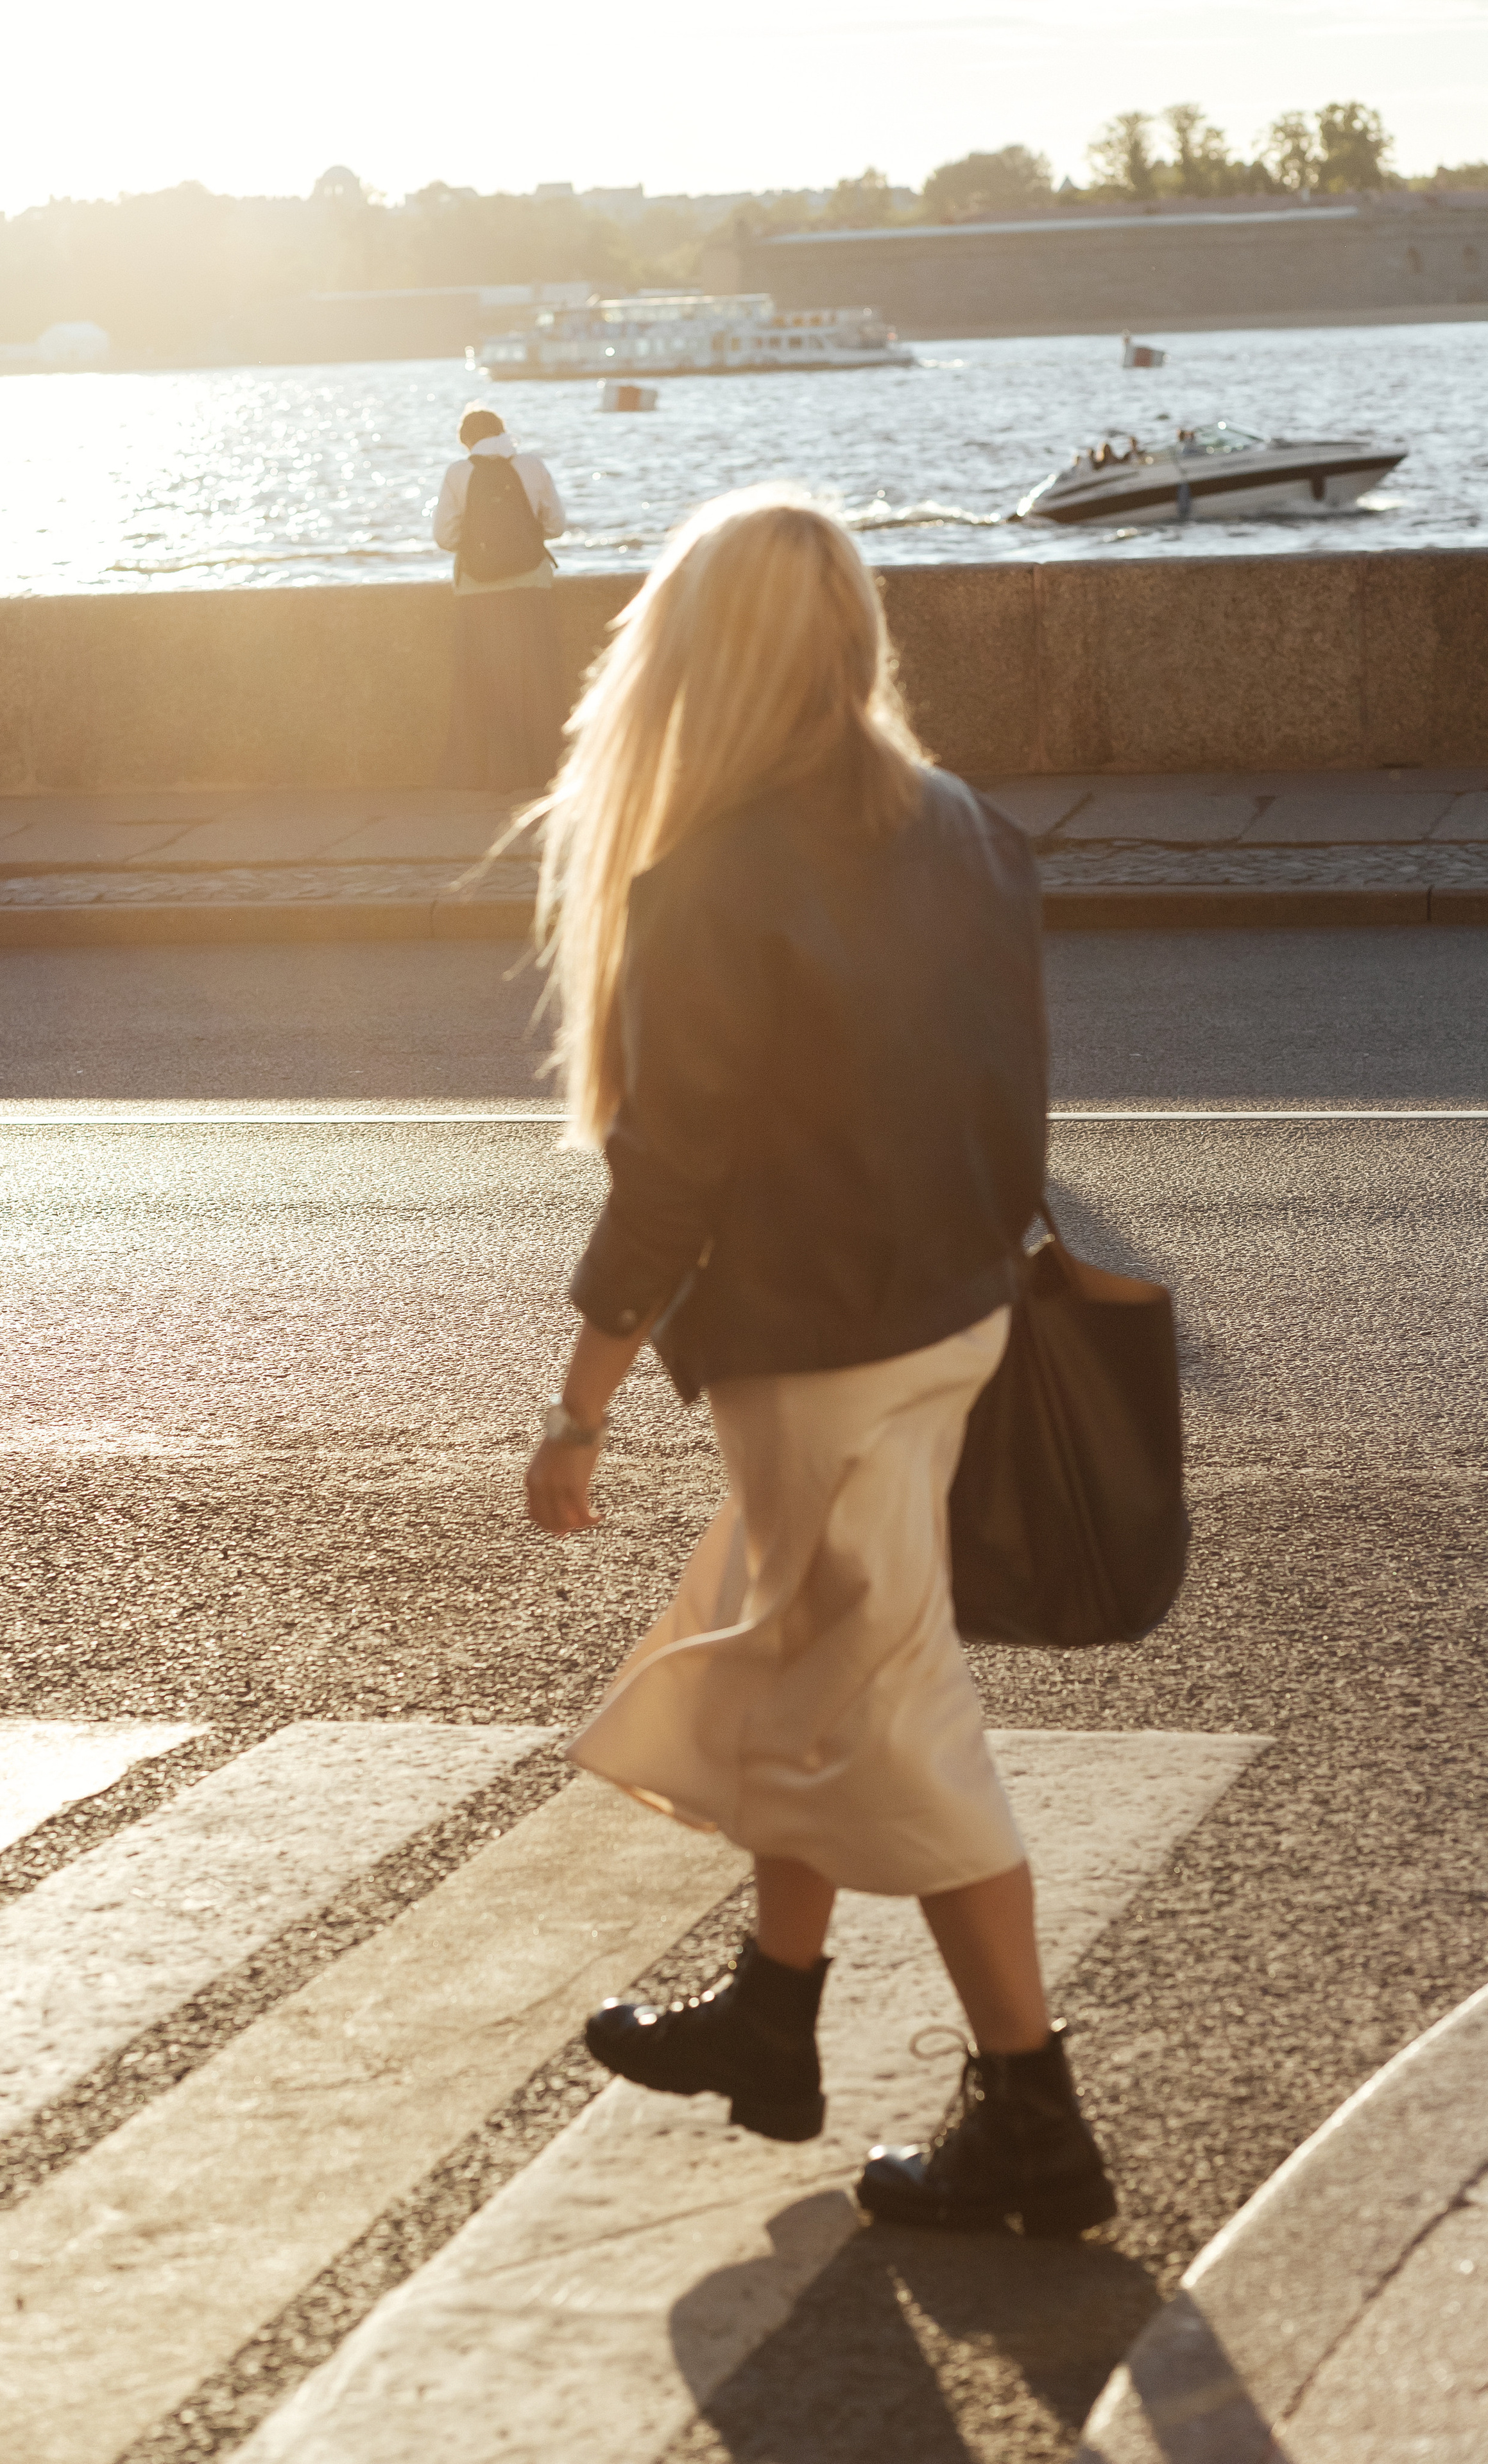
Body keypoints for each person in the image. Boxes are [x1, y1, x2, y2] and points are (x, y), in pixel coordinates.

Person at [521, 487, 1116, 2239]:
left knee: (897, 1719)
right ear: (855, 639)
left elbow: (671, 1181)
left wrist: (576, 1408)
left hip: (819, 1353)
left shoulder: (710, 879)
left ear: (694, 662)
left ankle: (1035, 2117)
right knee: (808, 1651)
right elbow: (1009, 1100)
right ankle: (773, 2018)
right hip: (952, 1319)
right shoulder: (966, 828)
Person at [432, 404, 569, 792]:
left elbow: (444, 536)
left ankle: (479, 774)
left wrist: (481, 548)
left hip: (478, 591)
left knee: (480, 682)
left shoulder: (458, 473)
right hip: (531, 586)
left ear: (467, 442)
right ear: (502, 433)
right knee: (538, 680)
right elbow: (556, 525)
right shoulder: (532, 465)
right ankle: (545, 769)